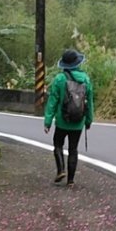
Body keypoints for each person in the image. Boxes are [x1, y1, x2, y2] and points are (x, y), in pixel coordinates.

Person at [44, 49, 94, 187]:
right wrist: (89, 120)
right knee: (73, 149)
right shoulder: (86, 79)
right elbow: (89, 102)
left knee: (58, 144)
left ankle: (61, 170)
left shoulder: (60, 79)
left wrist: (47, 121)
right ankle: (71, 181)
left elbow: (52, 102)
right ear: (77, 63)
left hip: (62, 121)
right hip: (78, 122)